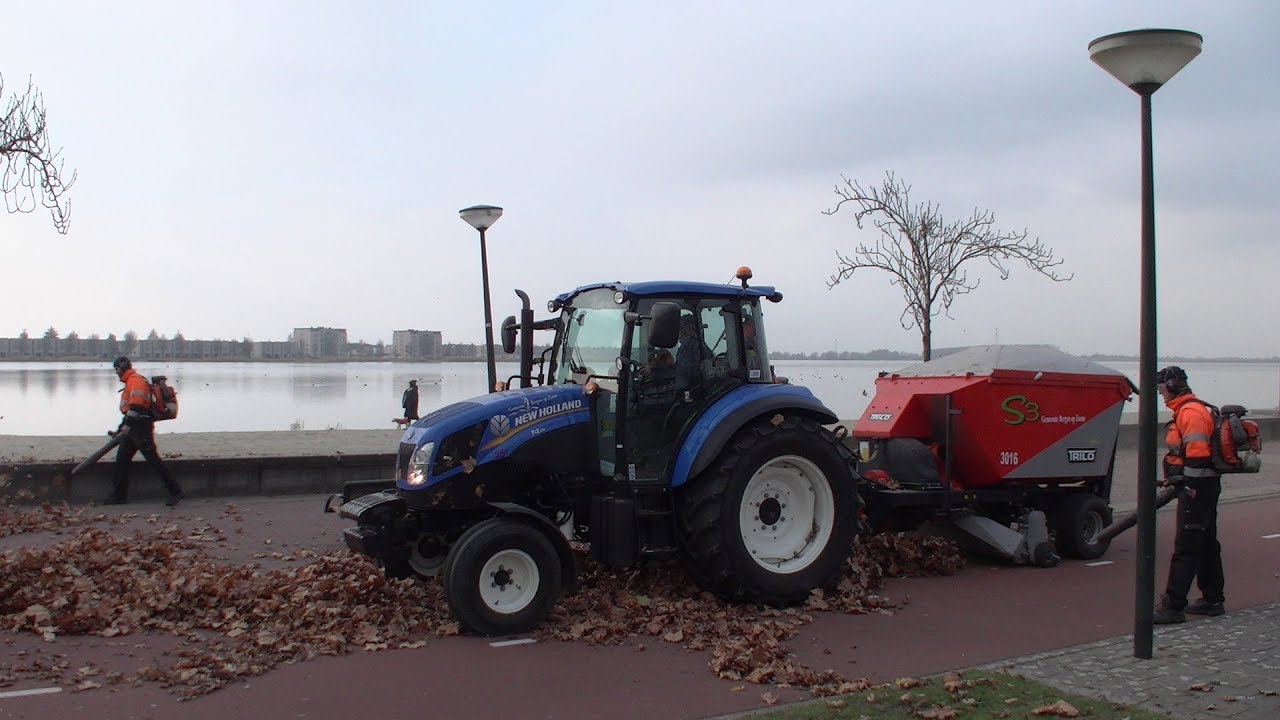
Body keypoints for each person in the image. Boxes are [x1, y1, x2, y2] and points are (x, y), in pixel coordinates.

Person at [1153, 365, 1224, 624]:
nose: (1160, 394)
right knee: (1206, 543)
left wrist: (1187, 483)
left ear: (1172, 385)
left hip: (1197, 489)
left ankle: (1173, 606)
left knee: (1186, 547)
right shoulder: (1190, 409)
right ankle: (1212, 599)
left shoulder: (1190, 412)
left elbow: (1197, 453)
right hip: (1202, 486)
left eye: (1161, 388)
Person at [107, 356, 183, 506]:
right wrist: (121, 428)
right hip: (134, 427)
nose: (116, 373)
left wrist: (126, 426)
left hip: (140, 428)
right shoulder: (133, 380)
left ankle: (175, 491)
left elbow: (137, 406)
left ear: (120, 368)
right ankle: (119, 496)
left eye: (116, 369)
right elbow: (130, 410)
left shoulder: (135, 381)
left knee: (154, 461)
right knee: (122, 461)